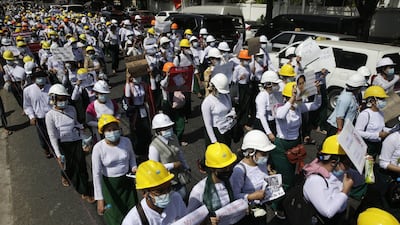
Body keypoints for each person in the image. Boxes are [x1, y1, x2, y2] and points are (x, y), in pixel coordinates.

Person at [271, 81, 321, 218]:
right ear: (288, 96)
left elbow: (316, 105)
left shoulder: (298, 107)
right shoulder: (278, 107)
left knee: (292, 175)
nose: (300, 100)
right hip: (281, 145)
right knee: (285, 178)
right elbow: (280, 115)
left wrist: (318, 92)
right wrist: (291, 100)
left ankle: (285, 199)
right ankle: (278, 205)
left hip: (294, 144)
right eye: (296, 97)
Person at [45, 84, 94, 202]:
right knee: (70, 167)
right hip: (63, 144)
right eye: (60, 99)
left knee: (81, 166)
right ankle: (68, 177)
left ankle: (85, 190)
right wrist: (57, 154)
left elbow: (76, 124)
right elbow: (52, 136)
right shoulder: (50, 116)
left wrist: (84, 139)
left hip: (76, 141)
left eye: (65, 99)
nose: (63, 102)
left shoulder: (71, 109)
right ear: (53, 99)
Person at [92, 114, 138, 225]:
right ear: (103, 132)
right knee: (115, 214)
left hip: (127, 182)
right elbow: (96, 174)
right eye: (109, 130)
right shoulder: (98, 148)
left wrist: (134, 168)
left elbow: (132, 157)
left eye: (115, 129)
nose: (112, 132)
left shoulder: (126, 141)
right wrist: (99, 198)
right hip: (110, 185)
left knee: (133, 210)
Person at [302, 135, 354, 223]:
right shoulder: (314, 181)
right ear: (334, 162)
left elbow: (361, 179)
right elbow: (328, 211)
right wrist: (345, 191)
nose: (349, 167)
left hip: (339, 214)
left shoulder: (337, 170)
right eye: (348, 163)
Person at [230, 130, 276, 225]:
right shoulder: (239, 171)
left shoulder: (261, 163)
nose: (266, 156)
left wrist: (270, 176)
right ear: (251, 152)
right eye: (263, 153)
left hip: (261, 206)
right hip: (246, 213)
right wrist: (251, 197)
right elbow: (233, 195)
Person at [187, 142, 239, 225]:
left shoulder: (231, 178)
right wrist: (206, 222)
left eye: (230, 166)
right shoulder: (199, 190)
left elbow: (237, 197)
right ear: (212, 169)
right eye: (223, 168)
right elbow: (190, 220)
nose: (228, 170)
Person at [121, 160, 187, 225]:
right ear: (144, 193)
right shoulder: (132, 221)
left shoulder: (175, 198)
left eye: (168, 188)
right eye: (160, 191)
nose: (166, 194)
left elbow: (186, 220)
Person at [149, 112, 191, 199]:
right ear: (158, 131)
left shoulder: (174, 137)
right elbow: (155, 168)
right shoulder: (154, 146)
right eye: (165, 128)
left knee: (184, 196)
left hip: (178, 177)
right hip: (166, 182)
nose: (168, 130)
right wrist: (172, 165)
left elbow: (180, 153)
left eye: (169, 127)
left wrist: (186, 166)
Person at [23, 68, 52, 158]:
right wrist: (31, 117)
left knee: (54, 136)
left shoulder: (51, 88)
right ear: (33, 79)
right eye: (38, 77)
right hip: (40, 118)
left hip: (51, 117)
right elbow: (27, 106)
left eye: (42, 77)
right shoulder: (27, 90)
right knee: (43, 138)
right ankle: (46, 150)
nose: (41, 79)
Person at [124, 68, 153, 158]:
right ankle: (138, 150)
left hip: (143, 108)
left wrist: (151, 75)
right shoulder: (129, 86)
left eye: (139, 76)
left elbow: (153, 88)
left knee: (147, 128)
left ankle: (148, 147)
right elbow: (127, 95)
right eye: (136, 77)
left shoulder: (143, 85)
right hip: (135, 111)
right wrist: (127, 81)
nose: (138, 78)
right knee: (137, 129)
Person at [201, 73, 236, 147]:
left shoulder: (226, 96)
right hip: (215, 131)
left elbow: (230, 108)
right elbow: (208, 124)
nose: (220, 93)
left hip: (226, 128)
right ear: (213, 87)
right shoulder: (207, 102)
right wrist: (214, 141)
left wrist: (232, 113)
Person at [355, 86, 390, 158]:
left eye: (383, 99)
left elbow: (381, 127)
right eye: (381, 99)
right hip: (367, 146)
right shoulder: (365, 114)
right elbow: (357, 132)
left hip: (377, 145)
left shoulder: (381, 113)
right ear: (372, 101)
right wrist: (377, 135)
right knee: (366, 167)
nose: (383, 101)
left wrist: (391, 130)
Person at [254, 70, 282, 142]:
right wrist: (269, 133)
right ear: (268, 84)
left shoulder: (273, 94)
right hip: (262, 125)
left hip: (272, 123)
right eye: (275, 84)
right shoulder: (262, 96)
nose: (277, 85)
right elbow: (262, 116)